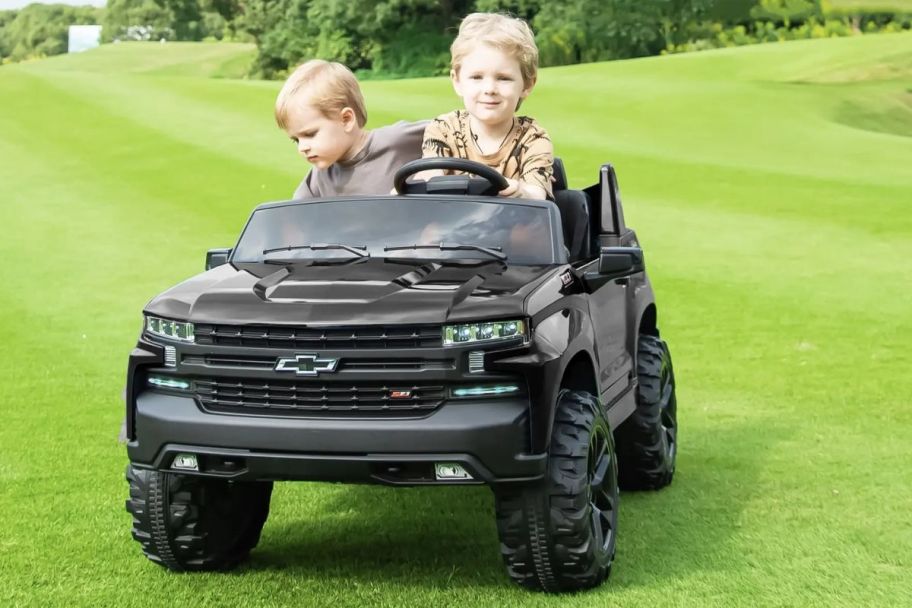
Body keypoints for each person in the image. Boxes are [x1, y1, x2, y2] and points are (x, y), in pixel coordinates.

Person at [421, 12, 553, 200]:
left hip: (511, 223)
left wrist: (522, 192)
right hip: (452, 223)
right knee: (430, 230)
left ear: (527, 84)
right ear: (457, 81)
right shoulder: (443, 129)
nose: (489, 89)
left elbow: (536, 194)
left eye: (503, 78)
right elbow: (428, 174)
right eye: (477, 77)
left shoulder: (532, 138)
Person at [275, 60, 426, 198]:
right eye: (296, 140)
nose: (302, 147)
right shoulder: (319, 177)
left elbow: (447, 127)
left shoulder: (395, 141)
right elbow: (294, 218)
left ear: (346, 119)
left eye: (310, 134)